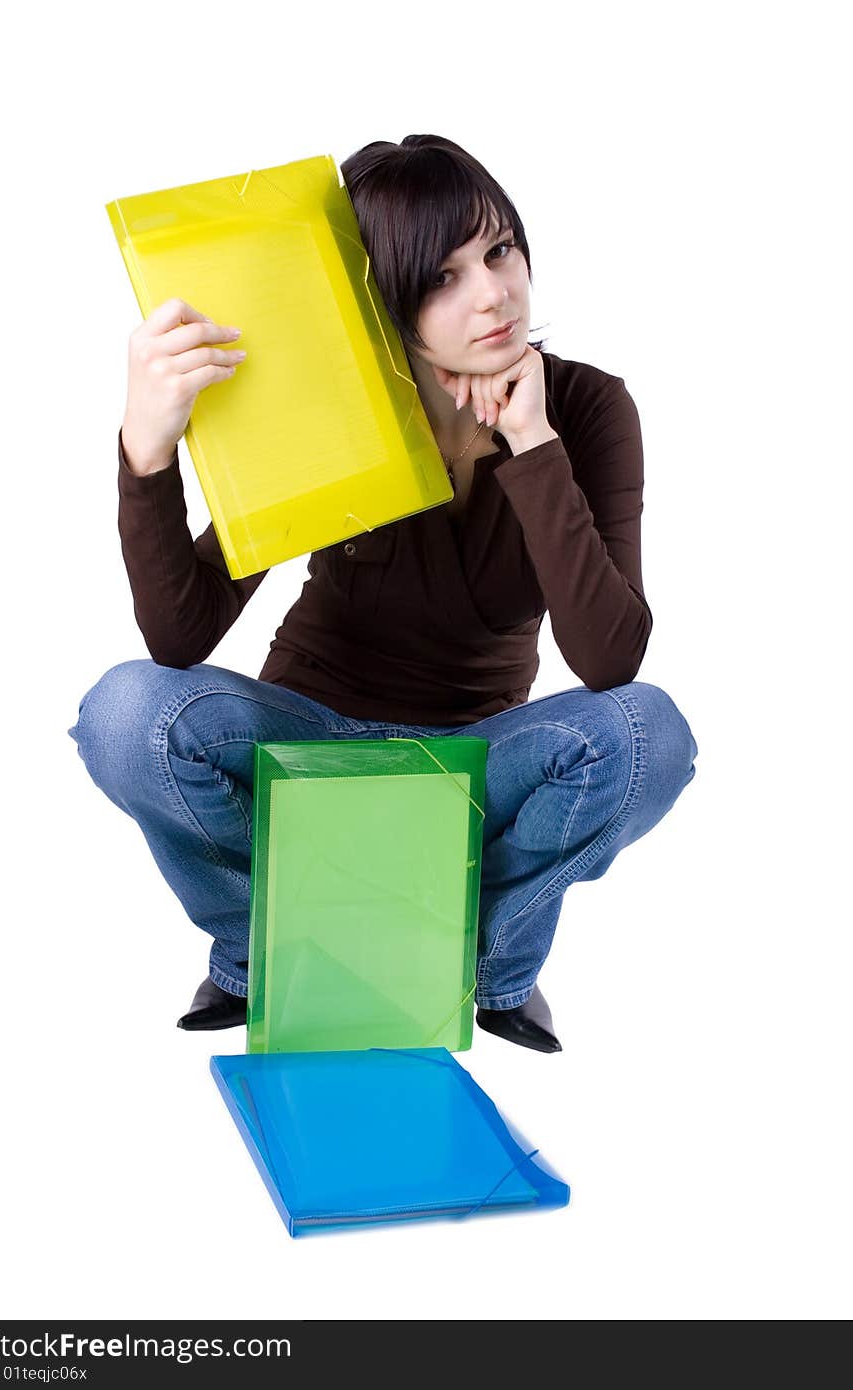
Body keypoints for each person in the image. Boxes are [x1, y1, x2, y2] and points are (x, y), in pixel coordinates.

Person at [68, 133, 698, 1053]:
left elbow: (610, 658)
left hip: (475, 764)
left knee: (652, 736)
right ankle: (263, 952)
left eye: (499, 251)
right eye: (440, 279)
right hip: (309, 742)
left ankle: (484, 966)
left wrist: (534, 446)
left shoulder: (591, 410)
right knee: (127, 713)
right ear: (381, 302)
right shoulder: (341, 409)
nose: (492, 294)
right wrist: (148, 451)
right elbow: (180, 634)